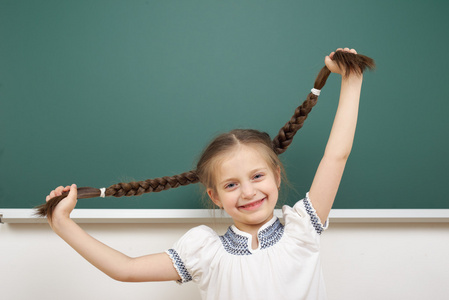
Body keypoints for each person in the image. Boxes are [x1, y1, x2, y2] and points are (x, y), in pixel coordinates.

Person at [44, 48, 373, 300]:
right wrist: (62, 223)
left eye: (257, 177)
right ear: (214, 195)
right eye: (231, 184)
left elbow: (336, 156)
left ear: (276, 175)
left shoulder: (303, 228)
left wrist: (351, 78)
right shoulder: (204, 251)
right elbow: (126, 270)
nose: (247, 192)